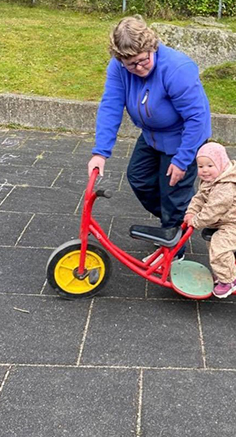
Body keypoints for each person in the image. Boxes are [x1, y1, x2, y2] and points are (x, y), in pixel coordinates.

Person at [88, 16, 212, 258]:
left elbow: (198, 119)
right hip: (152, 136)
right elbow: (111, 105)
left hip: (182, 138)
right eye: (131, 64)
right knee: (139, 178)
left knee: (173, 191)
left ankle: (174, 248)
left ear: (152, 47)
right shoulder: (119, 67)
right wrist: (100, 152)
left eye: (143, 60)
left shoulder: (177, 69)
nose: (139, 68)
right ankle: (178, 222)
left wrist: (183, 159)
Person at [183, 142, 236, 298]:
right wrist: (191, 212)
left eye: (210, 165)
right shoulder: (211, 180)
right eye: (200, 166)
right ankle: (224, 269)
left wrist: (195, 221)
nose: (205, 170)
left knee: (219, 247)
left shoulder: (225, 188)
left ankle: (230, 280)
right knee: (214, 243)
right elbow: (200, 198)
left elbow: (212, 212)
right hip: (226, 220)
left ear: (221, 164)